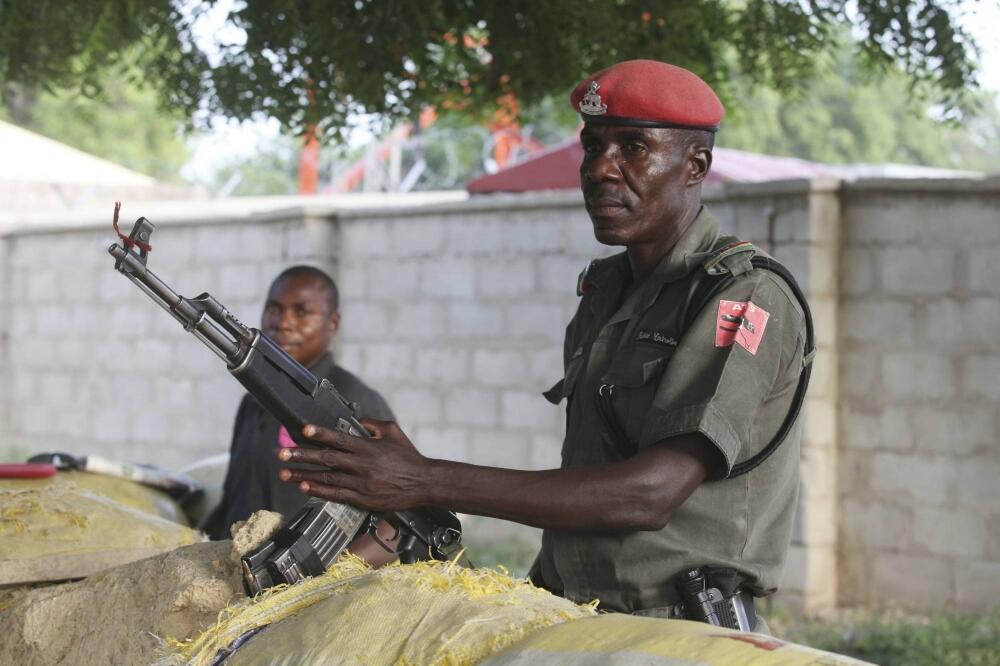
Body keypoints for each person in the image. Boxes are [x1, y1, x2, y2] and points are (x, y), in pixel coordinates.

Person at [275, 61, 811, 633]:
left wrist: (423, 478)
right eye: (593, 146)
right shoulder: (605, 290)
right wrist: (407, 477)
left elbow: (650, 494)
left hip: (677, 631)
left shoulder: (746, 295)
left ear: (694, 166)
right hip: (572, 615)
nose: (602, 169)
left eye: (634, 148)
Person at [202, 265, 394, 540]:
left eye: (301, 312)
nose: (283, 323)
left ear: (333, 323)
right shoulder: (253, 401)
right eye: (274, 309)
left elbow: (390, 521)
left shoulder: (357, 403)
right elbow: (233, 501)